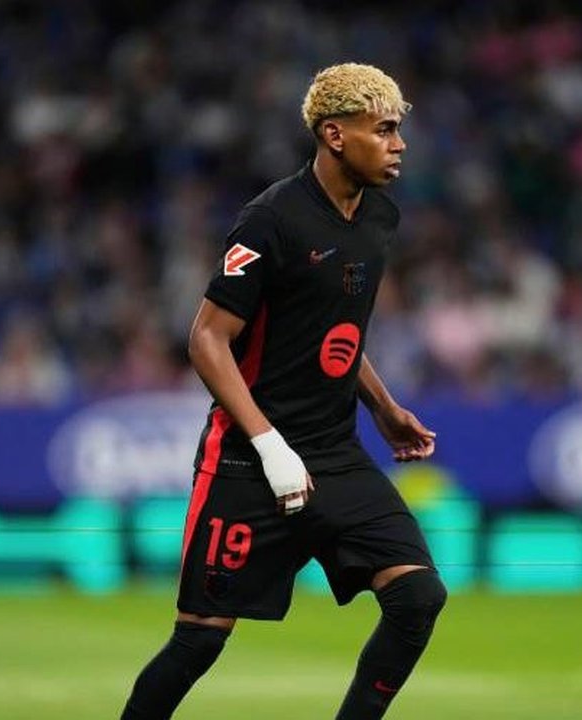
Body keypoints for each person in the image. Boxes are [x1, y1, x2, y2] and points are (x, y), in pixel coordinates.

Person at [120, 63, 446, 720]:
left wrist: (383, 407)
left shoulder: (380, 217)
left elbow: (335, 331)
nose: (399, 144)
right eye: (384, 130)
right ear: (335, 135)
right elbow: (207, 340)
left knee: (418, 597)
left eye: (397, 130)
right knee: (198, 641)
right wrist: (270, 447)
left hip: (334, 454)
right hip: (247, 461)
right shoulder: (269, 220)